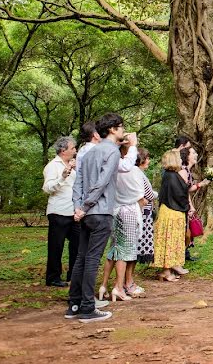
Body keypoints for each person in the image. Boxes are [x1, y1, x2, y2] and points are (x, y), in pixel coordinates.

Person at [67, 113, 125, 323]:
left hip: (86, 214)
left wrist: (78, 208)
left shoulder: (88, 152)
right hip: (100, 212)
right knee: (91, 259)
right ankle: (87, 308)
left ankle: (73, 304)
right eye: (121, 127)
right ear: (112, 129)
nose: (123, 130)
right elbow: (101, 183)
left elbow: (78, 183)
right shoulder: (112, 152)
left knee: (81, 258)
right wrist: (85, 206)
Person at [98, 134, 144, 302]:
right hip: (130, 211)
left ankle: (103, 285)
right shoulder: (133, 170)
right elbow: (143, 194)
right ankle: (118, 287)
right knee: (125, 253)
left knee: (114, 249)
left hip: (115, 210)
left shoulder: (112, 167)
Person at [42, 136, 78, 287]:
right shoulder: (52, 166)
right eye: (72, 148)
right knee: (56, 246)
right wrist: (62, 177)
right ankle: (53, 278)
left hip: (73, 212)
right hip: (58, 211)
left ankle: (74, 274)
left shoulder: (71, 165)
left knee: (78, 242)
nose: (75, 150)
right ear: (63, 151)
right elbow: (47, 188)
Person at [154, 150, 189, 281]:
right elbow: (180, 195)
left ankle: (167, 269)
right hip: (172, 213)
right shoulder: (173, 176)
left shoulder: (168, 175)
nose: (181, 160)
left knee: (168, 242)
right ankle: (166, 271)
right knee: (170, 242)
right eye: (179, 159)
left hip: (166, 211)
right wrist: (187, 207)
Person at [136, 148, 157, 267]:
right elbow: (149, 194)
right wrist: (156, 194)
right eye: (147, 158)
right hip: (143, 212)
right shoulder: (139, 174)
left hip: (145, 210)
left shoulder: (140, 174)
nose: (149, 161)